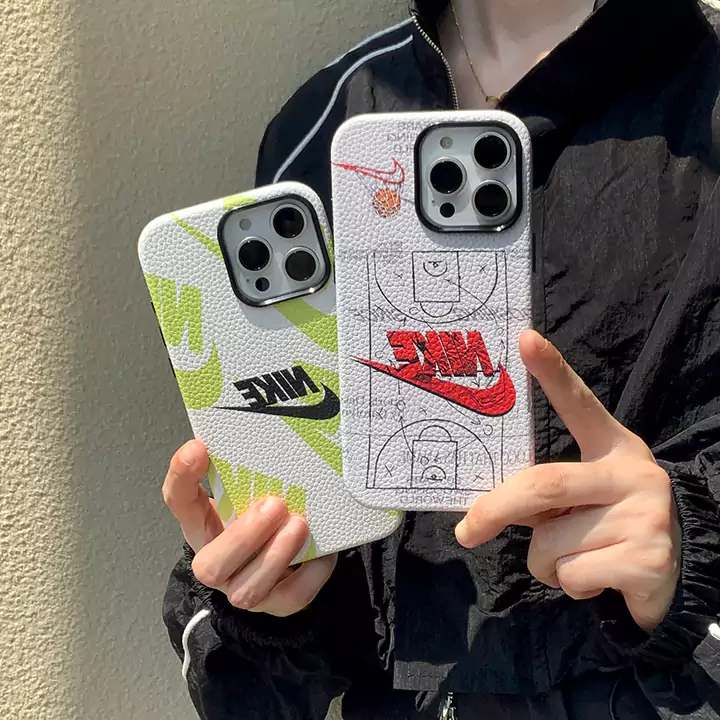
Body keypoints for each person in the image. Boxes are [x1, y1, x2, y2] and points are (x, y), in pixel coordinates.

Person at [161, 1, 720, 717]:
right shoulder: (323, 123)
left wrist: (688, 564)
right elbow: (277, 664)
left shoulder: (705, 93)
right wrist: (264, 594)